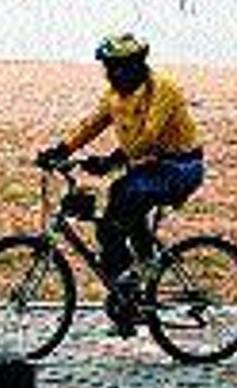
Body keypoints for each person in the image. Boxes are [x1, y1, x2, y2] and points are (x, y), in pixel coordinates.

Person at [35, 33, 205, 337]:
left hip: (181, 167)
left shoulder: (162, 89)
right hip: (151, 166)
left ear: (137, 64)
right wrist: (61, 151)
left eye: (119, 67)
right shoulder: (115, 94)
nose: (113, 74)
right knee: (117, 203)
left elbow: (150, 136)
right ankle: (132, 284)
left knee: (124, 205)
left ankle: (139, 272)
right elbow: (91, 124)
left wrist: (111, 160)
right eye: (108, 67)